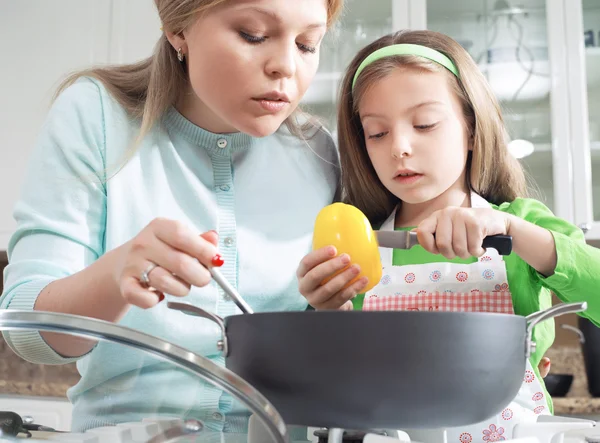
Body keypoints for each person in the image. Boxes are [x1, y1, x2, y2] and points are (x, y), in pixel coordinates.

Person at [0, 0, 343, 433]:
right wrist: (115, 276)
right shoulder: (97, 117)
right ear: (177, 28)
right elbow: (29, 332)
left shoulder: (318, 151)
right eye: (254, 35)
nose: (285, 67)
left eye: (307, 44)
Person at [297, 30, 600, 442]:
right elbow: (322, 379)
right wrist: (325, 311)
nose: (399, 147)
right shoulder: (361, 243)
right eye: (377, 133)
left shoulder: (521, 224)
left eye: (424, 124)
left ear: (472, 131)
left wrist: (513, 231)